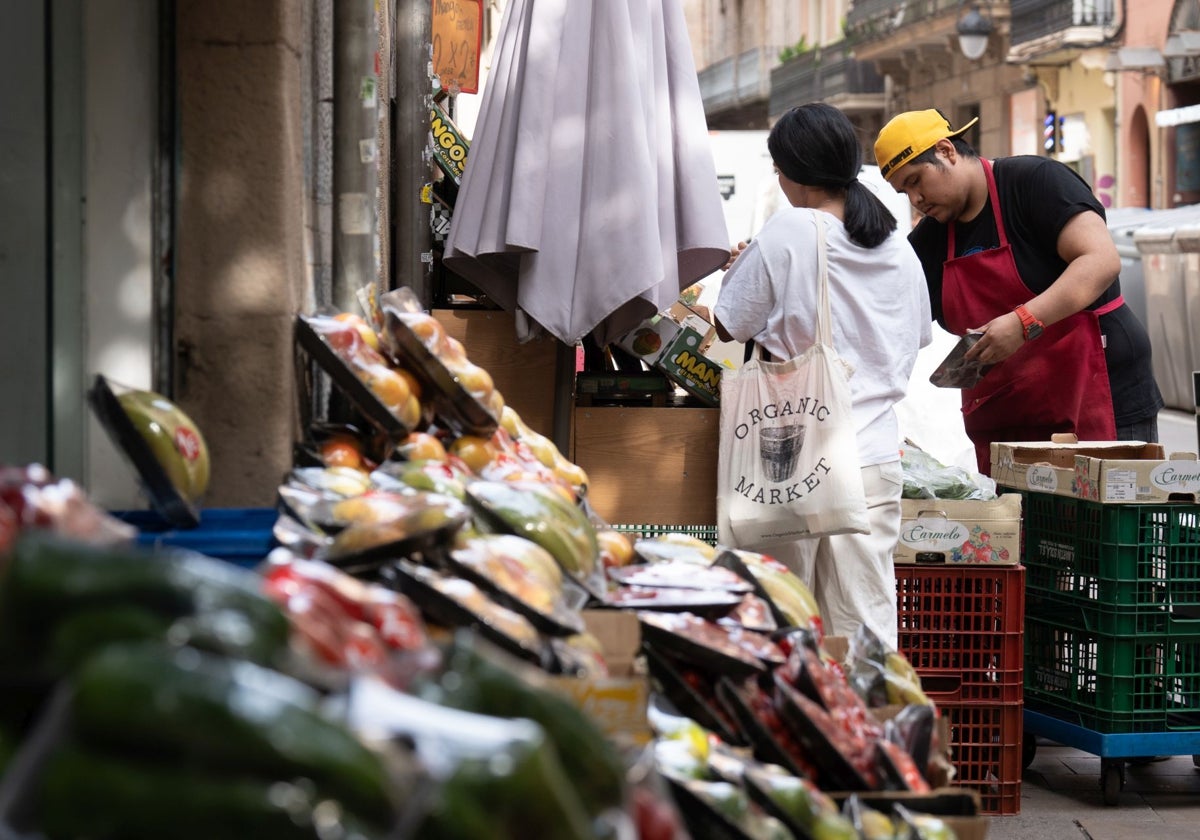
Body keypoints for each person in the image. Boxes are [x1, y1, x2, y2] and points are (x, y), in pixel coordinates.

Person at [714, 103, 932, 649]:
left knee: (782, 623)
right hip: (875, 462)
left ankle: (791, 729)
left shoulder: (788, 230)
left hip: (795, 457)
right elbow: (917, 337)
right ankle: (874, 728)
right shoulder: (897, 245)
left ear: (793, 171)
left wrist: (748, 268)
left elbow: (728, 322)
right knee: (865, 629)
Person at [874, 109, 1164, 474]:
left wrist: (1023, 322)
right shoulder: (930, 242)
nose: (916, 199)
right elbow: (893, 322)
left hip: (1099, 391)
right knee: (1021, 529)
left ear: (947, 151)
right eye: (905, 191)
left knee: (1105, 525)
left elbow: (1100, 260)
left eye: (917, 180)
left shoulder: (1035, 182)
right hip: (1010, 410)